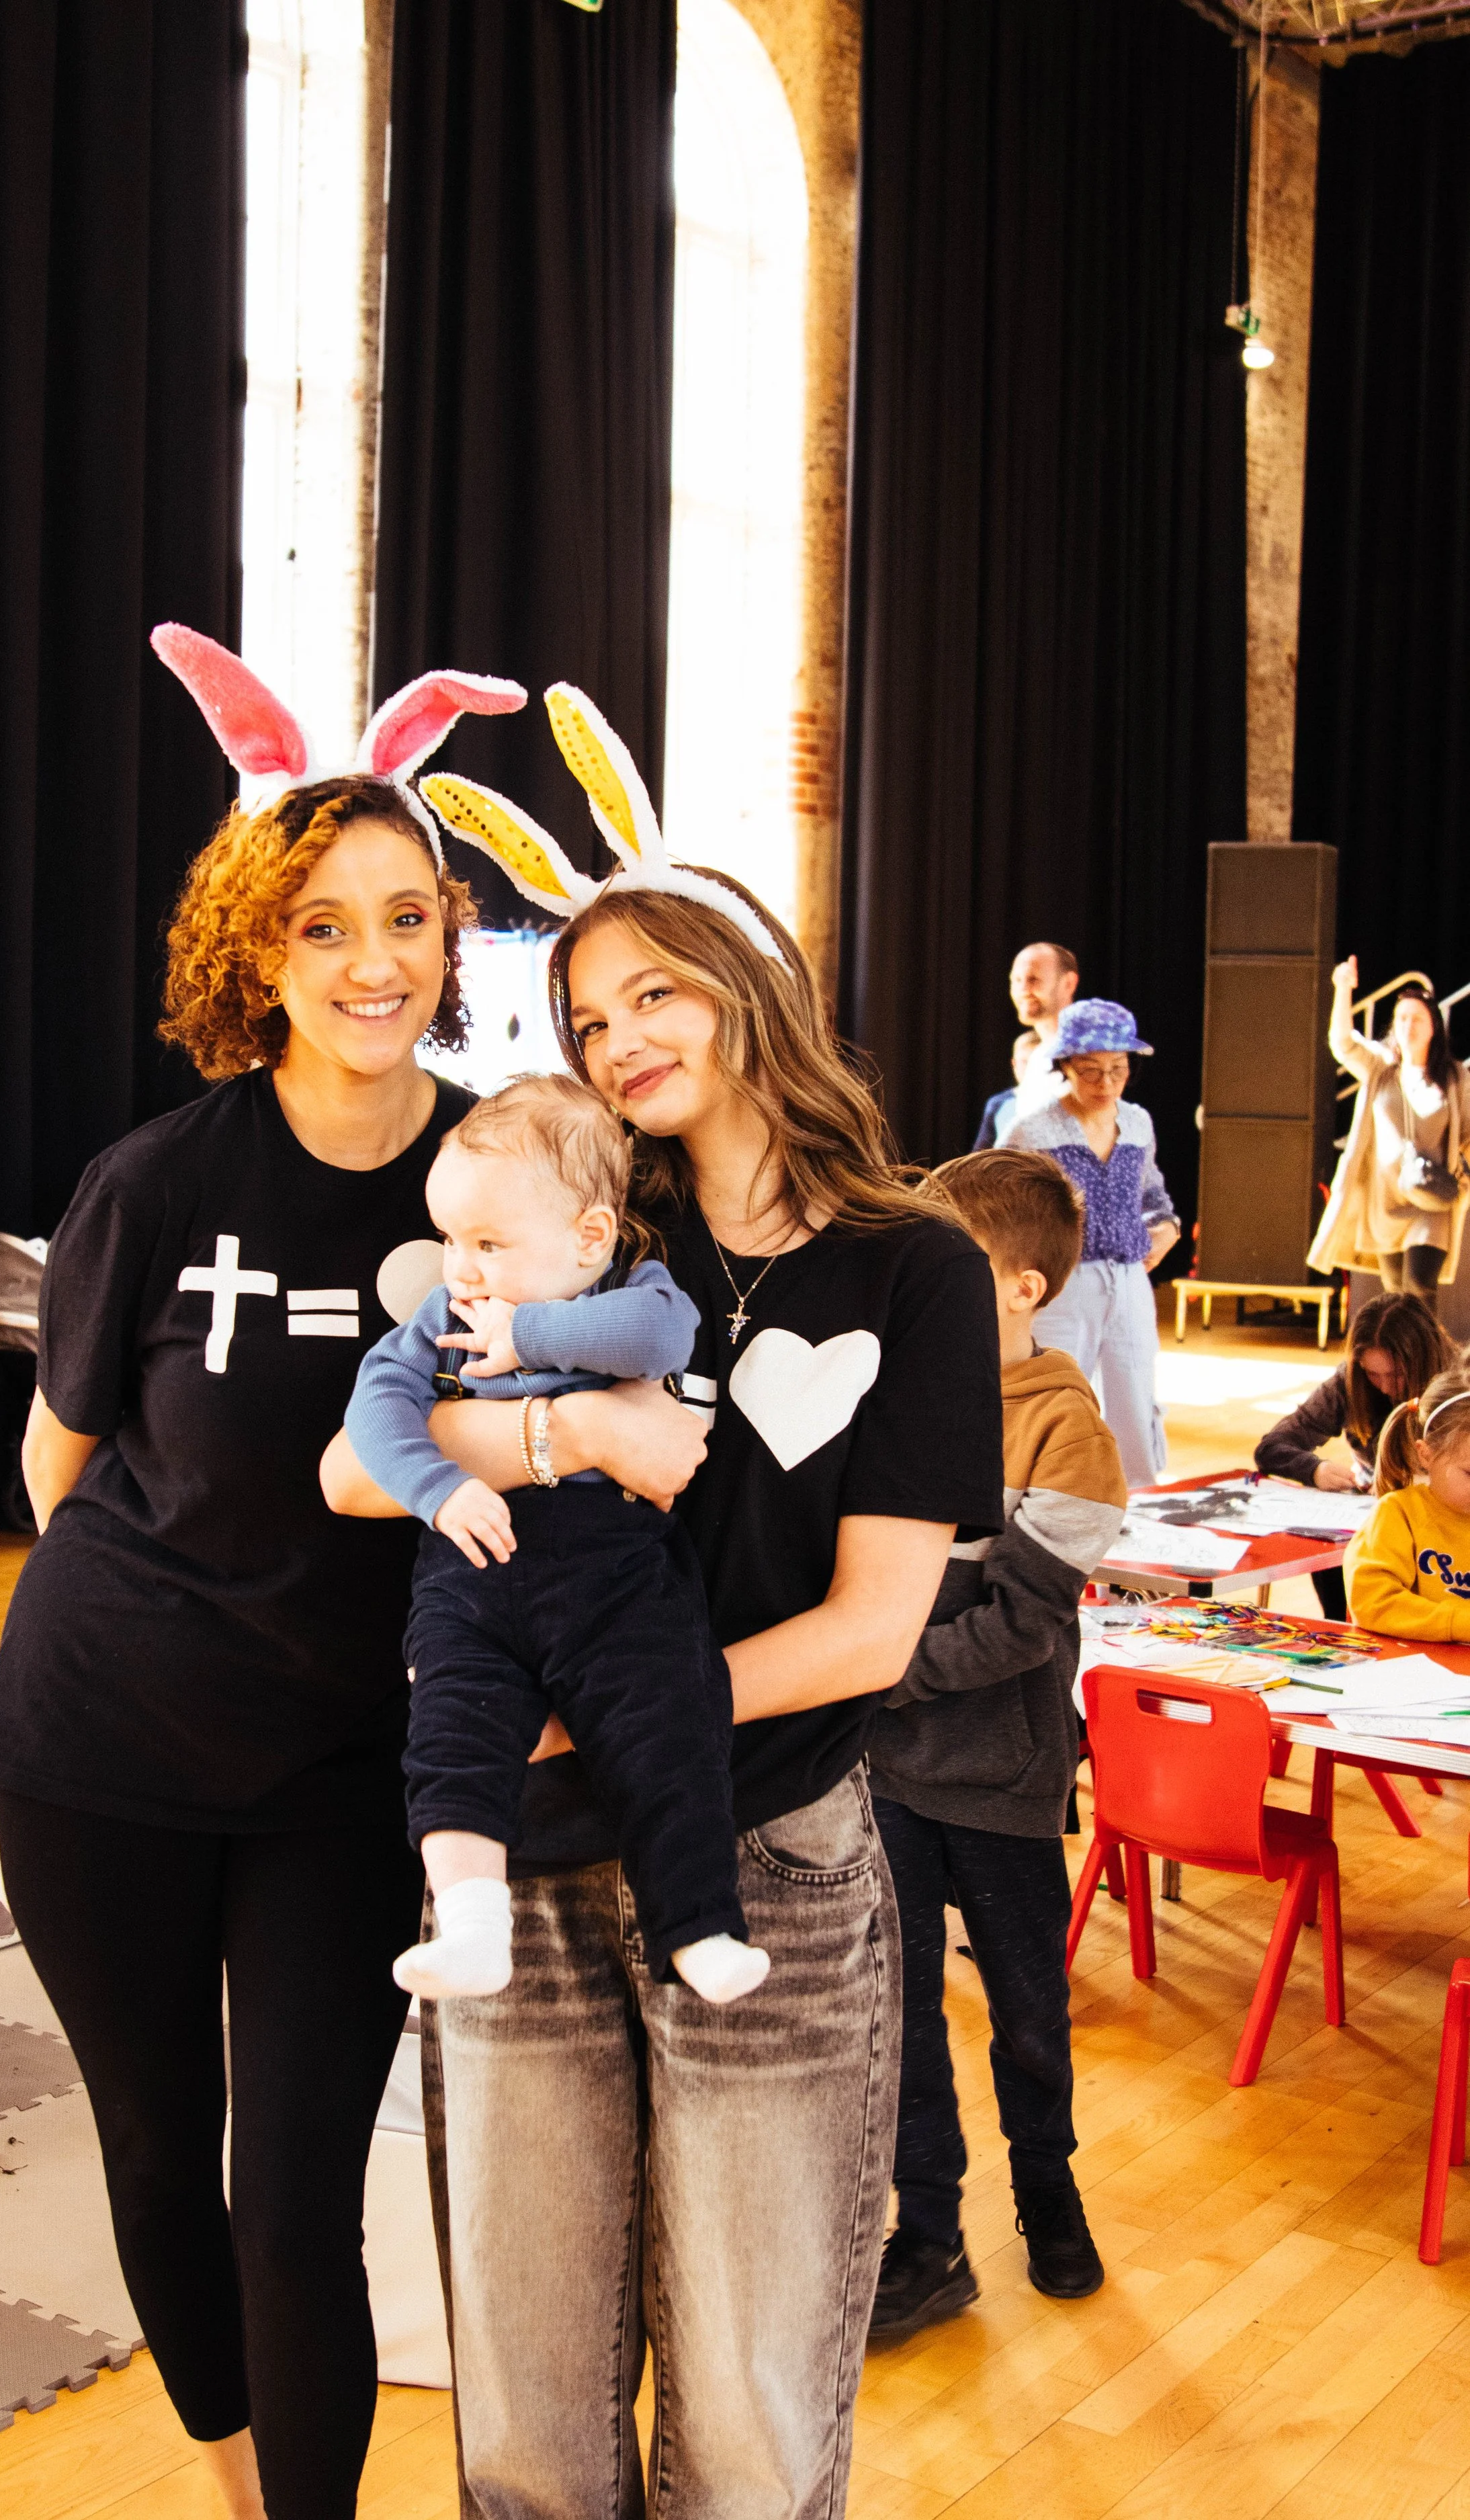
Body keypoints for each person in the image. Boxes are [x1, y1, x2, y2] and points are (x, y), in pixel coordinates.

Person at [323, 682, 1004, 2518]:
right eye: (588, 1013)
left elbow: (873, 1626)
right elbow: (357, 1448)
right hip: (529, 1872)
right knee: (529, 2433)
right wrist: (583, 1434)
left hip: (765, 1860)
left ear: (746, 985)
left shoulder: (912, 1268)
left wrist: (611, 1706)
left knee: (752, 2428)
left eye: (655, 993)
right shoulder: (573, 1234)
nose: (620, 1040)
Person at [0, 631, 527, 2520]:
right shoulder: (153, 1177)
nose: (374, 960)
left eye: (408, 917)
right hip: (100, 1744)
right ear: (256, 960)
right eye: (322, 927)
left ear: (448, 941)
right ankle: (232, 2471)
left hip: (344, 1775)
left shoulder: (507, 1188)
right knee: (152, 2150)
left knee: (296, 2190)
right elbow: (61, 1464)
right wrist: (170, 1639)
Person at [347, 1073, 766, 2007]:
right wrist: (438, 1487)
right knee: (450, 1732)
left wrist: (527, 1332)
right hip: (474, 1563)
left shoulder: (634, 1288)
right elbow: (374, 1408)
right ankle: (471, 1924)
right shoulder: (444, 1316)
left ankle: (698, 1923)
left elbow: (660, 1340)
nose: (461, 1268)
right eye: (451, 1239)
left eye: (489, 1243)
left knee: (669, 1726)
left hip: (613, 1570)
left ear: (589, 1235)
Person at [866, 1148, 1126, 2339]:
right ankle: (928, 2238)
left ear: (1021, 1286)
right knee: (901, 2012)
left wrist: (874, 1672)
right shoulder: (901, 1394)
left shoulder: (1072, 1432)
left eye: (948, 1262)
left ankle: (1049, 2194)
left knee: (1026, 2009)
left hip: (1005, 1780)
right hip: (887, 1777)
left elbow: (1024, 1624)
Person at [1003, 999, 1178, 1486]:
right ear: (1065, 1066)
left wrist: (1167, 1229)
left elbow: (1153, 1193)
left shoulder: (1138, 1123)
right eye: (1091, 1071)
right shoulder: (1033, 1129)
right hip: (1063, 1282)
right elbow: (1000, 1204)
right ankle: (1039, 1500)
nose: (1106, 1084)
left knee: (1135, 1395)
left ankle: (1141, 1505)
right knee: (1055, 1394)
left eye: (1118, 1071)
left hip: (1129, 1280)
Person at [1255, 1291, 1459, 1618]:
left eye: (1397, 1375)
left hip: (1443, 1519)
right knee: (1327, 1541)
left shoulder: (1456, 1387)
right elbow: (1272, 1446)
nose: (1385, 1386)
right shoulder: (1350, 1383)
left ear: (1423, 1360)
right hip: (1368, 1513)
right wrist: (1315, 1469)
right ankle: (1341, 1629)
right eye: (1373, 1374)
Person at [1309, 958, 1470, 1308]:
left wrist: (1464, 1175)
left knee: (1419, 1285)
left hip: (1431, 1199)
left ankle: (1427, 1362)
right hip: (1386, 1204)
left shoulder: (1455, 1078)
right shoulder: (1380, 1067)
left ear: (1434, 1027)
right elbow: (1342, 1043)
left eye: (1418, 1018)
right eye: (1402, 1018)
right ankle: (1407, 1360)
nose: (1408, 1025)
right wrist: (1343, 988)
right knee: (1397, 1293)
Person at [1344, 1364, 1470, 1639]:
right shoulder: (1398, 1515)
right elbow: (1372, 1602)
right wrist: (1458, 1623)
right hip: (1415, 1673)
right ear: (1426, 1455)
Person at [1005, 941, 1081, 1128]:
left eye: (1033, 980)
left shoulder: (1086, 1054)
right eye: (1017, 980)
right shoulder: (1039, 1057)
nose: (1023, 990)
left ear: (1068, 983)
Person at [972, 1027, 1041, 1150]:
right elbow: (980, 1156)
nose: (1030, 1069)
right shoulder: (999, 1104)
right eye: (1024, 1062)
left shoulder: (1065, 1103)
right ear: (1014, 1064)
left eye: (1036, 1062)